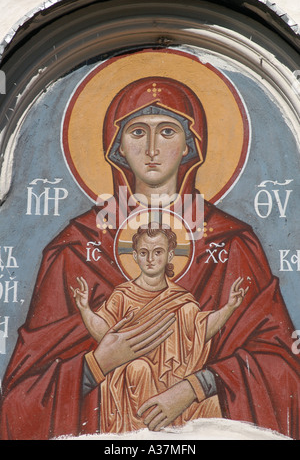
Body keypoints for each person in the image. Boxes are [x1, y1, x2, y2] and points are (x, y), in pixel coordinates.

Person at [0, 75, 299, 440]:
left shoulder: (233, 243)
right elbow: (19, 400)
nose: (152, 148)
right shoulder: (76, 248)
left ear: (190, 145)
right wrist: (97, 365)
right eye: (138, 132)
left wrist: (196, 385)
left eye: (168, 132)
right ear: (118, 146)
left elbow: (280, 368)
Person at [73, 223, 248, 433]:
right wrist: (85, 309)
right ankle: (138, 435)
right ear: (135, 256)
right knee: (139, 369)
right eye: (144, 252)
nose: (150, 259)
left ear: (169, 255)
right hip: (128, 379)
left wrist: (229, 307)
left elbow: (199, 331)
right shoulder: (122, 296)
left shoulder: (181, 300)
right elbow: (105, 333)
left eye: (158, 252)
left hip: (173, 379)